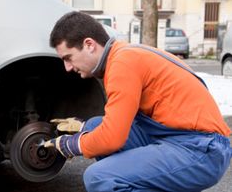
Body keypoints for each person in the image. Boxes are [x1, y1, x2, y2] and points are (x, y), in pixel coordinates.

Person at [44, 11, 232, 192]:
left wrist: (73, 144)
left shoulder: (122, 64)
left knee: (99, 177)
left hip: (202, 150)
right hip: (181, 137)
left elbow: (112, 138)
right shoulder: (121, 54)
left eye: (68, 58)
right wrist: (83, 129)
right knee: (93, 126)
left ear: (89, 44)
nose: (67, 67)